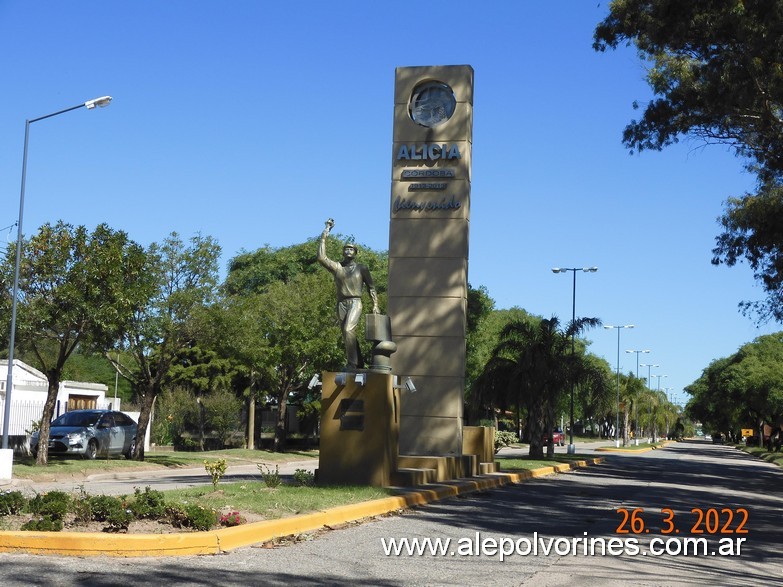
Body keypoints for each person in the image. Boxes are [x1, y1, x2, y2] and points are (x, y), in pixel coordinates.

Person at [317, 218, 379, 370]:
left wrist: (375, 305)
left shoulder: (361, 268)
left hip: (355, 302)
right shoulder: (338, 267)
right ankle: (358, 363)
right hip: (341, 304)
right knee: (347, 335)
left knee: (348, 330)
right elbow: (321, 257)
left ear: (355, 253)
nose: (348, 251)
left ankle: (352, 364)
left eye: (351, 249)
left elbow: (371, 287)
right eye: (346, 249)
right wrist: (325, 232)